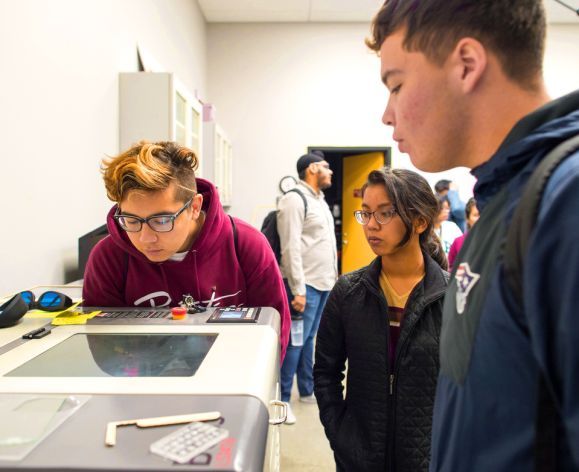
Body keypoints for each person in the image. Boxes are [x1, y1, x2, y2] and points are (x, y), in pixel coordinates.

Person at [367, 0, 579, 469]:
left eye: (397, 85)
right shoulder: (504, 201)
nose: (387, 114)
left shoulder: (565, 202)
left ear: (466, 65)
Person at [82, 141, 291, 360]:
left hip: (229, 380)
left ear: (194, 207)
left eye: (162, 220)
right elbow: (105, 347)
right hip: (141, 385)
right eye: (131, 220)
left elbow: (274, 334)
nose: (145, 238)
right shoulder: (108, 257)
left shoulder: (246, 244)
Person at [314, 167, 448, 472]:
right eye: (366, 213)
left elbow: (469, 386)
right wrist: (341, 434)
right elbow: (325, 371)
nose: (371, 225)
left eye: (385, 214)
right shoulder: (348, 292)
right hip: (359, 457)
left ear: (420, 220)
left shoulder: (451, 298)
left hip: (428, 459)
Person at [276, 152, 338, 424]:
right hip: (305, 285)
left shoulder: (319, 201)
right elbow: (290, 247)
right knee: (294, 343)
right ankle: (283, 399)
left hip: (324, 283)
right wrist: (298, 288)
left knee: (310, 340)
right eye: (326, 167)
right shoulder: (294, 199)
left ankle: (306, 389)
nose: (331, 171)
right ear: (312, 169)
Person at [447, 198, 479, 271]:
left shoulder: (495, 240)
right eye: (476, 215)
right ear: (467, 218)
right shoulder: (458, 242)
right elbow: (450, 268)